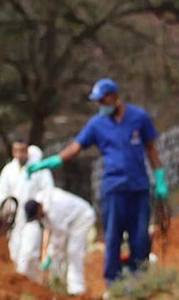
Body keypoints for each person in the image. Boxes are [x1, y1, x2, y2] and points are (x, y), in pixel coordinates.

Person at [27, 78, 169, 284]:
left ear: (115, 97)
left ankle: (140, 278)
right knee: (113, 237)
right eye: (98, 102)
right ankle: (113, 282)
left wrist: (160, 178)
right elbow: (75, 148)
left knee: (140, 237)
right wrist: (53, 160)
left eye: (103, 100)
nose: (100, 106)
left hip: (139, 187)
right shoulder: (96, 124)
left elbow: (151, 149)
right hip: (113, 188)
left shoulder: (139, 117)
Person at [0, 141, 54, 281]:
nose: (19, 154)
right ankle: (26, 286)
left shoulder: (38, 168)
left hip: (32, 218)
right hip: (14, 220)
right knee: (16, 253)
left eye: (22, 150)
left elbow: (48, 190)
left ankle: (29, 283)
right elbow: (1, 194)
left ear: (27, 151)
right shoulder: (8, 170)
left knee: (29, 252)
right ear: (13, 152)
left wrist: (40, 209)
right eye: (16, 151)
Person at [24, 186, 96, 296]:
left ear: (39, 209)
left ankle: (77, 289)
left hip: (82, 218)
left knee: (73, 251)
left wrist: (48, 257)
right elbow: (49, 230)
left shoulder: (54, 211)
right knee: (61, 253)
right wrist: (47, 253)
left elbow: (58, 241)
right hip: (69, 221)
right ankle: (60, 284)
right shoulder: (41, 200)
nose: (37, 219)